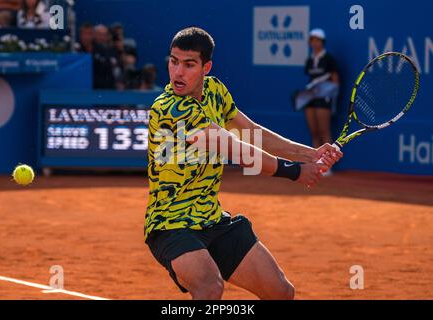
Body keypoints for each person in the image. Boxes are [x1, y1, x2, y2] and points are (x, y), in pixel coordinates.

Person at [145, 27, 343, 300]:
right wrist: (295, 172)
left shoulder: (215, 91)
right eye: (173, 61)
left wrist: (309, 154)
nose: (178, 72)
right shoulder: (170, 108)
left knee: (281, 292)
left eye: (189, 64)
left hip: (212, 219)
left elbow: (252, 132)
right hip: (171, 224)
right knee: (209, 287)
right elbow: (238, 151)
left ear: (206, 67)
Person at [299, 28, 340, 150]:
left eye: (318, 40)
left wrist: (327, 95)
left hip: (324, 98)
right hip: (310, 98)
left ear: (322, 42)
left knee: (324, 131)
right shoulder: (310, 60)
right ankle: (317, 163)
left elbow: (335, 81)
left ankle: (328, 166)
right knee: (314, 132)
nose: (315, 43)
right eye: (312, 40)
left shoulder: (329, 59)